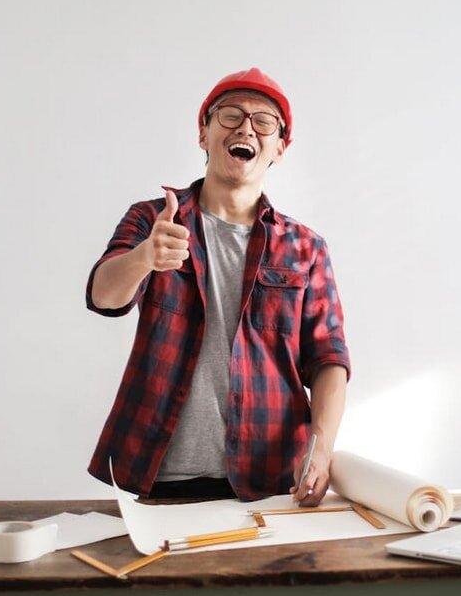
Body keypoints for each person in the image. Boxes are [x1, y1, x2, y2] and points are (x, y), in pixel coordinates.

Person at [86, 68, 351, 505]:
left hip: (273, 478)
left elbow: (329, 360)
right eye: (230, 115)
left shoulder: (305, 247)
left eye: (263, 121)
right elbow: (103, 296)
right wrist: (144, 258)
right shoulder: (156, 221)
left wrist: (322, 449)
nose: (246, 127)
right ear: (203, 133)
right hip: (166, 477)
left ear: (280, 148)